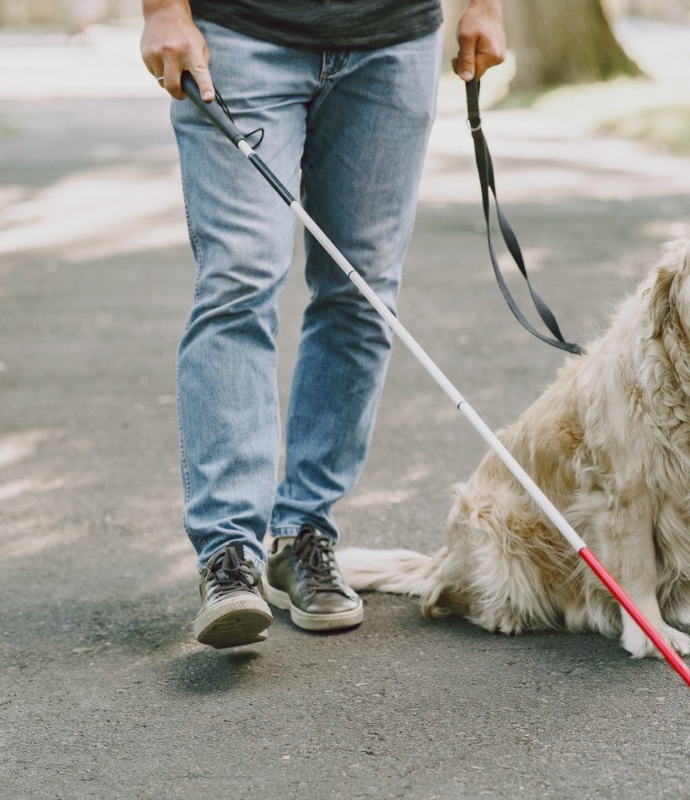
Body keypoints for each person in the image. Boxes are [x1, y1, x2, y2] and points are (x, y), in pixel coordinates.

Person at [140, 0, 505, 648]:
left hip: (393, 41)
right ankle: (229, 558)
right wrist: (165, 10)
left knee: (362, 294)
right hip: (241, 34)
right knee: (238, 281)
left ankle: (303, 533)